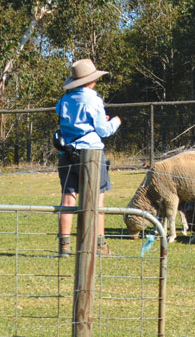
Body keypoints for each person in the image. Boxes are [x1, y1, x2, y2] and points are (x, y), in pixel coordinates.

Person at [55, 59, 121, 257]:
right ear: (91, 80)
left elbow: (67, 119)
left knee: (68, 200)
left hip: (67, 154)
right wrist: (115, 122)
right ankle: (100, 245)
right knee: (97, 201)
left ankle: (64, 246)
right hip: (91, 154)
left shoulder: (64, 100)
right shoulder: (94, 100)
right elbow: (103, 129)